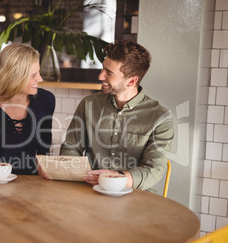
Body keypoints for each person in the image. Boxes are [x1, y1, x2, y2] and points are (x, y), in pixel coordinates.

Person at [59, 40, 174, 193]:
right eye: (103, 69)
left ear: (131, 80)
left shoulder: (160, 117)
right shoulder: (89, 104)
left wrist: (117, 178)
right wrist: (70, 168)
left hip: (136, 196)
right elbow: (71, 147)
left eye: (109, 73)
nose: (101, 76)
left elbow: (154, 170)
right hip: (90, 191)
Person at [0, 43, 55, 175]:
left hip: (34, 187)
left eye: (38, 73)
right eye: (33, 75)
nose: (40, 79)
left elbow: (44, 150)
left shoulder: (46, 100)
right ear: (14, 77)